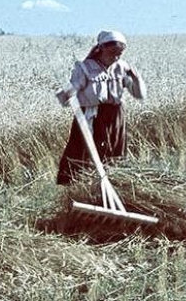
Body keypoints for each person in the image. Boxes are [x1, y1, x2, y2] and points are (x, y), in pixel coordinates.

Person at [56, 30, 147, 185]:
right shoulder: (85, 68)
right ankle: (78, 186)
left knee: (113, 152)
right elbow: (69, 93)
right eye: (112, 53)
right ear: (101, 48)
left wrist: (137, 80)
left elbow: (139, 95)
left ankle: (111, 184)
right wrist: (66, 93)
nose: (116, 57)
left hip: (115, 117)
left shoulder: (122, 67)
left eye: (119, 54)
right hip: (91, 116)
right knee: (83, 152)